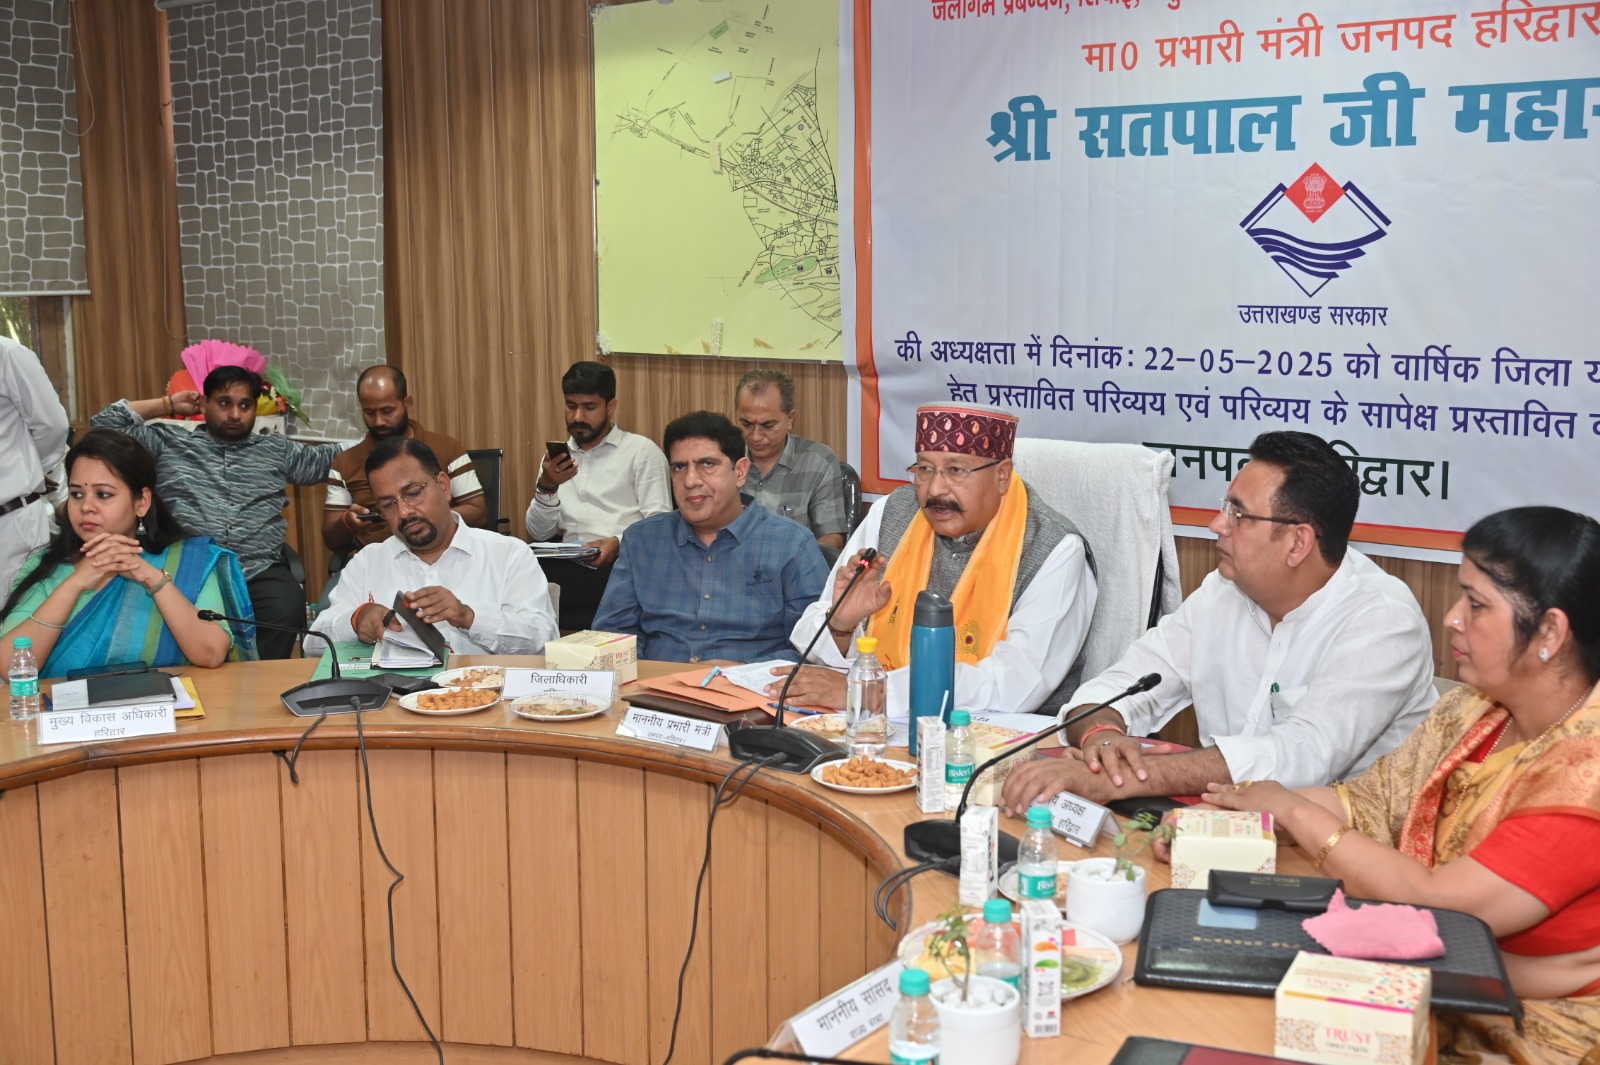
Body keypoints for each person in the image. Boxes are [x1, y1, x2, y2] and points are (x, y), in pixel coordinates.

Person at [1195, 506, 1600, 1062]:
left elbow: (1442, 906)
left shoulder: (1586, 777)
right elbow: (1367, 803)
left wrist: (1292, 811)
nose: (1452, 618)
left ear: (1550, 631)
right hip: (1435, 984)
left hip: (1538, 1029)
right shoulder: (1474, 711)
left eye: (1476, 605)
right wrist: (1226, 818)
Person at [1002, 431, 1436, 811]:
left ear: (1298, 542)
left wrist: (1121, 779)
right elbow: (1118, 685)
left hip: (1347, 850)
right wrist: (1102, 737)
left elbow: (1298, 759)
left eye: (1238, 515)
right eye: (1224, 508)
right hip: (1221, 830)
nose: (1217, 525)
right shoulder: (1224, 592)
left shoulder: (1383, 620)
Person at [777, 403, 1097, 718]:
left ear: (1002, 475)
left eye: (956, 471)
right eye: (925, 469)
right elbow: (810, 633)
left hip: (999, 739)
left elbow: (1017, 684)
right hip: (875, 725)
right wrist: (841, 625)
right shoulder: (893, 513)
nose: (935, 489)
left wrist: (877, 692)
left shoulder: (1054, 548)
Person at [91, 366, 340, 659]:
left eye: (245, 406)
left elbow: (343, 458)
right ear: (204, 404)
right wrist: (168, 404)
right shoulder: (169, 442)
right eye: (224, 403)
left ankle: (263, 681)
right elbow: (104, 426)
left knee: (286, 606)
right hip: (188, 566)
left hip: (257, 568)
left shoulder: (276, 450)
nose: (235, 414)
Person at [1, 430, 255, 675]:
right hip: (67, 706)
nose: (86, 506)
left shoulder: (189, 561)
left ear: (142, 502)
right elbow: (10, 666)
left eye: (103, 494)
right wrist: (75, 584)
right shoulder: (46, 566)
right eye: (77, 494)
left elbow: (211, 653)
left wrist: (151, 577)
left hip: (172, 704)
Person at [592, 411, 829, 663]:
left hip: (753, 685)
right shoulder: (642, 541)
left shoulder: (791, 544)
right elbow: (610, 636)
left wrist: (744, 671)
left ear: (740, 472)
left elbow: (815, 650)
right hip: (656, 684)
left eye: (707, 464)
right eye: (679, 467)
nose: (690, 480)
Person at [314, 438, 556, 654]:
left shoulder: (509, 554)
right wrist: (355, 620)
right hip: (391, 691)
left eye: (412, 493)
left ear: (443, 486)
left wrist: (469, 617)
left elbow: (544, 639)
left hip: (486, 689)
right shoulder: (367, 562)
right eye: (388, 504)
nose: (404, 512)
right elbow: (313, 643)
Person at [525, 361, 671, 630]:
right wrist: (548, 486)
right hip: (567, 564)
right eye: (571, 406)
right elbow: (539, 533)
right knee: (520, 565)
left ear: (610, 406)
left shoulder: (641, 452)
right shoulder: (556, 461)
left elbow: (661, 525)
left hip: (619, 566)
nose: (578, 416)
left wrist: (618, 544)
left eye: (589, 407)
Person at [323, 365, 485, 555]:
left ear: (407, 403)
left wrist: (422, 518)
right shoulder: (345, 463)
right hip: (376, 562)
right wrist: (349, 522)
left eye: (387, 411)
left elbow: (478, 512)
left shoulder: (447, 448)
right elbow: (331, 538)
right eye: (369, 413)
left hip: (442, 555)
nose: (378, 421)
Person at [734, 369, 848, 558]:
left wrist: (792, 563)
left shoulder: (818, 462)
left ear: (790, 419)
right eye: (747, 424)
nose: (755, 436)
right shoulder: (725, 459)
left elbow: (831, 540)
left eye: (767, 425)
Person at [0, 336, 71, 597]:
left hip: (11, 519)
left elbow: (53, 426)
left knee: (19, 613)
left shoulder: (9, 354)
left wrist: (35, 469)